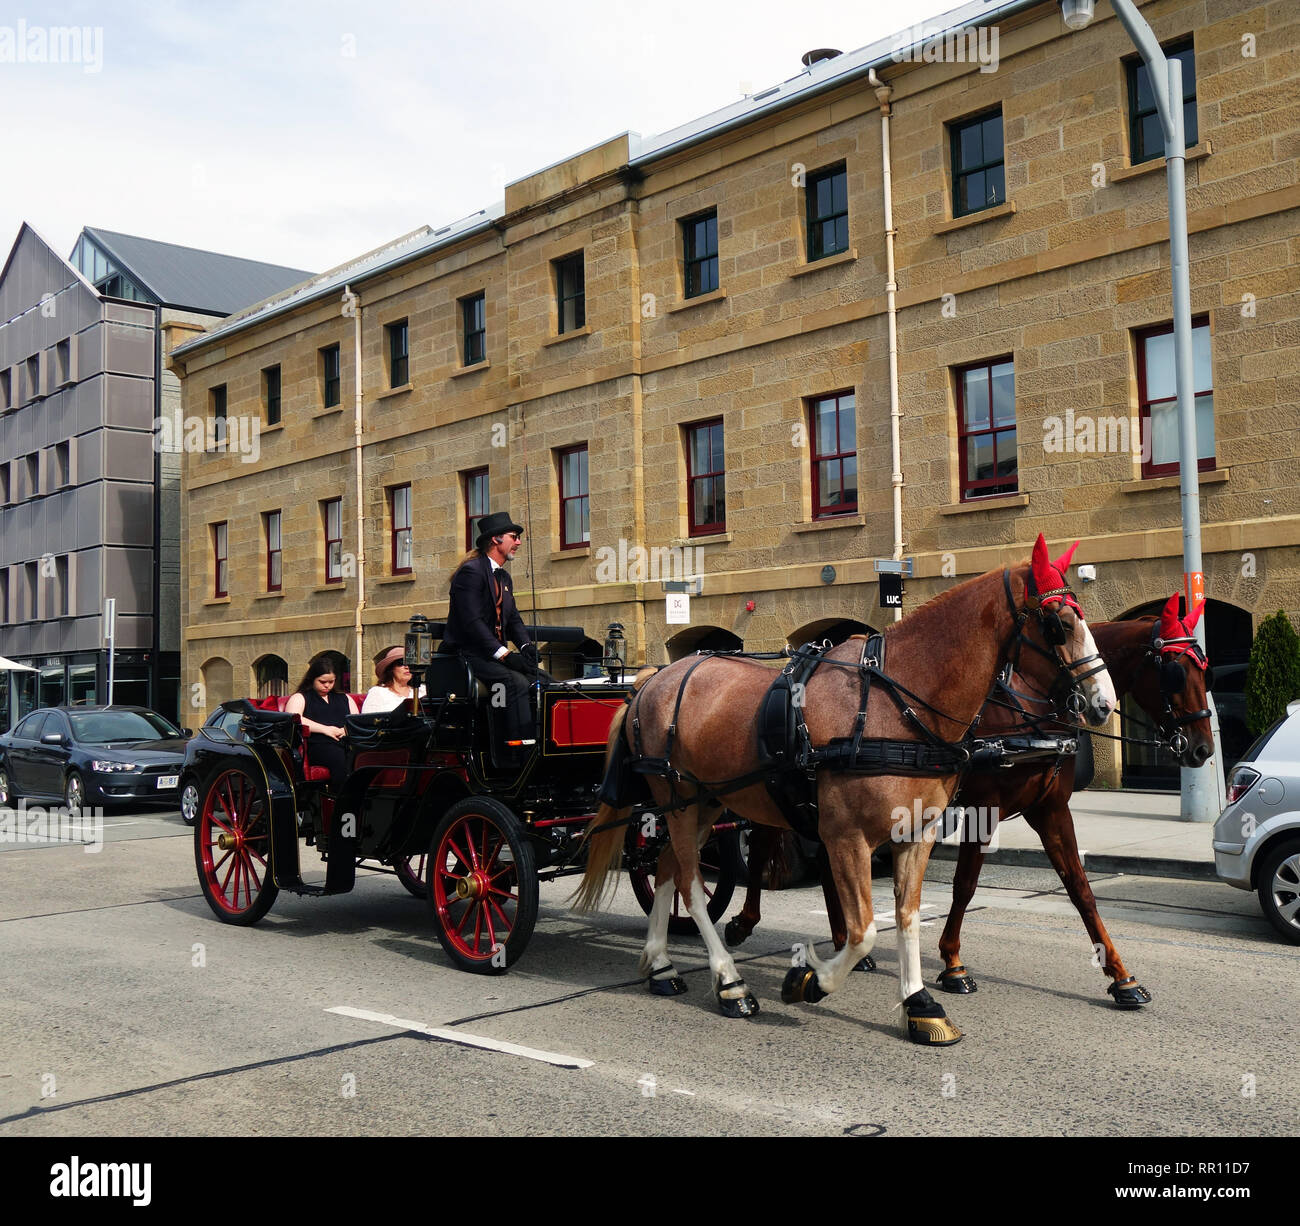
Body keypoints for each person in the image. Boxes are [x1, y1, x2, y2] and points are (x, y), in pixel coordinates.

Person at [441, 510, 546, 763]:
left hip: (491, 655)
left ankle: (547, 748)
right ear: (495, 540)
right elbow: (471, 623)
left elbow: (513, 619)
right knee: (514, 682)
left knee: (547, 681)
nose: (519, 542)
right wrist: (505, 655)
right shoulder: (471, 572)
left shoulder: (504, 576)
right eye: (514, 536)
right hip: (468, 654)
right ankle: (516, 754)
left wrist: (526, 646)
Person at [284, 655, 358, 786]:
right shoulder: (300, 697)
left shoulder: (345, 698)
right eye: (322, 682)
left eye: (331, 682)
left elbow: (355, 721)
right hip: (315, 745)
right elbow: (294, 717)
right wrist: (325, 730)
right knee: (337, 756)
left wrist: (345, 731)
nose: (327, 686)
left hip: (345, 742)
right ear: (312, 679)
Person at [362, 645, 426, 713]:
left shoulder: (422, 690)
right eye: (401, 663)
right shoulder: (378, 692)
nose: (407, 667)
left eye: (410, 663)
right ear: (391, 668)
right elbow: (366, 719)